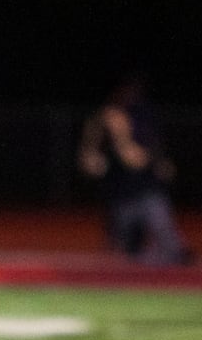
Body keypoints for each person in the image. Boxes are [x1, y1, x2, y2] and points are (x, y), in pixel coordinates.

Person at [77, 73, 191, 265]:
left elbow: (136, 159)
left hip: (146, 191)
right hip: (120, 195)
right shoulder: (102, 119)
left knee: (170, 247)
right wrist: (94, 153)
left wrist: (122, 135)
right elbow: (88, 160)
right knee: (123, 253)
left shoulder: (141, 117)